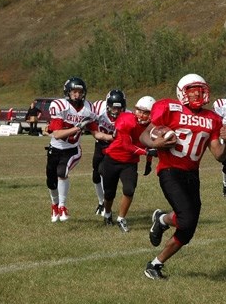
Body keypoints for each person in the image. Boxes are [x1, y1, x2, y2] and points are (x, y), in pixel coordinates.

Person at [141, 73, 226, 280]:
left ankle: (155, 262)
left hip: (192, 173)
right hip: (170, 170)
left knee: (188, 229)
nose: (198, 93)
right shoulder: (168, 108)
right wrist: (155, 144)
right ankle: (162, 220)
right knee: (186, 219)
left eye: (200, 89)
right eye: (192, 90)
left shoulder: (213, 118)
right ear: (182, 92)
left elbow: (219, 155)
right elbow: (145, 134)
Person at [100, 95, 156, 233]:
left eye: (145, 112)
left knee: (129, 189)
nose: (141, 115)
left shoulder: (152, 126)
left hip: (130, 163)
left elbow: (150, 145)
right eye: (139, 110)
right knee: (109, 193)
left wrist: (148, 162)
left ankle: (121, 218)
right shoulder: (126, 119)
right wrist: (147, 154)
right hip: (112, 159)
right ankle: (107, 214)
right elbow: (127, 145)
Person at [45, 77, 97, 222]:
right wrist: (78, 127)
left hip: (72, 150)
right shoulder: (60, 105)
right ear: (68, 92)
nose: (77, 95)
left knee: (62, 172)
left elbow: (95, 132)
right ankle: (54, 205)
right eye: (74, 91)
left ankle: (62, 206)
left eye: (80, 92)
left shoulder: (88, 108)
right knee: (50, 181)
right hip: (55, 148)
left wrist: (111, 137)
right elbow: (57, 134)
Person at [89, 89, 124, 220]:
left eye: (119, 108)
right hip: (100, 143)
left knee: (105, 172)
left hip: (114, 147)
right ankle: (100, 202)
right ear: (107, 105)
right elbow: (89, 117)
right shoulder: (98, 108)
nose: (116, 111)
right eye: (114, 108)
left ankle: (105, 203)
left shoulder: (127, 114)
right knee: (96, 175)